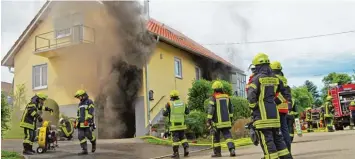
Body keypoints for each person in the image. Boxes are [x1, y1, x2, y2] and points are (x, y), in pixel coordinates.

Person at [247, 53, 293, 159]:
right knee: (279, 141)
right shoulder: (276, 78)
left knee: (268, 143)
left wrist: (254, 107)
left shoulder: (256, 79)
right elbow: (286, 92)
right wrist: (275, 102)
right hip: (274, 116)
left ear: (258, 66)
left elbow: (251, 96)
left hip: (262, 118)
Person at [207, 81, 236, 157]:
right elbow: (231, 109)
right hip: (226, 121)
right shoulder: (227, 97)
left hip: (217, 122)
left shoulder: (213, 97)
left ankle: (217, 153)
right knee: (228, 136)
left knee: (216, 138)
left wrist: (209, 120)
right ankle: (232, 149)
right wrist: (230, 118)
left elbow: (211, 110)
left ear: (214, 89)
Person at [270, 61, 292, 152]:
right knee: (284, 130)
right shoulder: (284, 79)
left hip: (275, 106)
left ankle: (279, 152)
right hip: (284, 107)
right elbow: (287, 93)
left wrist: (273, 103)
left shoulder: (273, 79)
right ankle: (288, 151)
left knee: (276, 131)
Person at [163, 90, 190, 158]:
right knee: (183, 137)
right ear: (177, 96)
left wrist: (165, 108)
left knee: (175, 140)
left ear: (171, 97)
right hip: (182, 124)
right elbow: (187, 112)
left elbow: (164, 114)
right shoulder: (183, 103)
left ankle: (176, 154)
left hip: (174, 125)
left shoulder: (169, 104)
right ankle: (186, 149)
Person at [74, 90, 96, 155]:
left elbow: (91, 112)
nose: (79, 98)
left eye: (79, 97)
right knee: (80, 136)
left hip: (87, 123)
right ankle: (84, 150)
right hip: (80, 124)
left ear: (83, 96)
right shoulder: (80, 104)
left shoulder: (89, 102)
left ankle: (93, 142)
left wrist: (88, 120)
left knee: (89, 136)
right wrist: (76, 122)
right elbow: (78, 114)